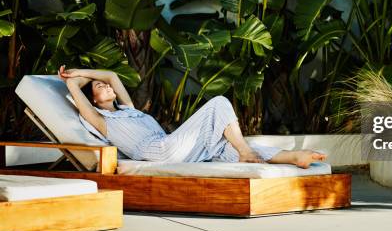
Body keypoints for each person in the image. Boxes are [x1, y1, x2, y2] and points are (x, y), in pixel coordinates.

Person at [58, 66, 327, 168]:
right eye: (97, 87)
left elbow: (112, 76)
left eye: (104, 86)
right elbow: (78, 95)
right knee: (219, 103)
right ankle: (245, 150)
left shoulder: (129, 109)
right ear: (92, 100)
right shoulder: (101, 121)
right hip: (158, 151)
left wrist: (85, 71)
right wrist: (73, 81)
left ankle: (292, 157)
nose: (105, 86)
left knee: (224, 145)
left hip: (171, 145)